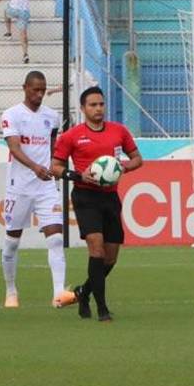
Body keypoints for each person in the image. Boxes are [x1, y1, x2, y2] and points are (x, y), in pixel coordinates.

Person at [51, 87, 143, 323]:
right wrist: (78, 176)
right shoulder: (71, 136)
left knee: (110, 258)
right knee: (97, 248)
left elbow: (137, 159)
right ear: (83, 109)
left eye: (101, 104)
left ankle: (84, 292)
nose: (98, 109)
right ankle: (102, 308)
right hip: (85, 196)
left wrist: (123, 167)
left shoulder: (119, 131)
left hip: (110, 198)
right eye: (93, 105)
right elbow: (56, 167)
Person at [0, 72, 71, 310]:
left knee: (56, 238)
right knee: (12, 242)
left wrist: (51, 168)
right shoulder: (11, 115)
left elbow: (52, 146)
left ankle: (58, 294)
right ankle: (11, 291)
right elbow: (14, 147)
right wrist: (35, 167)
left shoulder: (52, 117)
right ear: (25, 88)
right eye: (35, 90)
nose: (39, 94)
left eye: (42, 90)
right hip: (19, 187)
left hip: (45, 186)